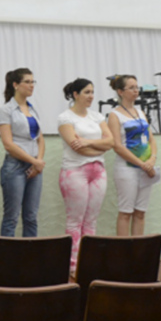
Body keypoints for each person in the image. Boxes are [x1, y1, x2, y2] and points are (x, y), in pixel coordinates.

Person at [58, 78, 113, 272]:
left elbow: (110, 142)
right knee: (75, 221)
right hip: (75, 171)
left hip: (98, 171)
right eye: (87, 92)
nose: (91, 96)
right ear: (76, 94)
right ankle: (72, 265)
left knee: (91, 221)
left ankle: (88, 261)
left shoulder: (97, 116)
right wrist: (99, 147)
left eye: (92, 92)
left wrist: (89, 143)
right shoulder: (66, 118)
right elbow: (76, 147)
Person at [107, 75, 160, 236]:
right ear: (120, 91)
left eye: (137, 87)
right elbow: (117, 146)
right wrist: (140, 163)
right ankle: (123, 256)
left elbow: (151, 139)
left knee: (140, 212)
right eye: (132, 88)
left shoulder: (140, 112)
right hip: (126, 169)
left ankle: (138, 254)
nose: (136, 91)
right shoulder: (114, 115)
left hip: (146, 168)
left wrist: (152, 160)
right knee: (125, 213)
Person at [0, 68, 45, 237]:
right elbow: (8, 144)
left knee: (31, 217)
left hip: (35, 167)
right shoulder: (6, 110)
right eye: (28, 82)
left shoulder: (32, 109)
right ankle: (6, 261)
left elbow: (40, 138)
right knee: (12, 217)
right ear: (16, 85)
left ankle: (29, 260)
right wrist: (34, 161)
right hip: (15, 166)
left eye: (33, 82)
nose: (32, 85)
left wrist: (38, 161)